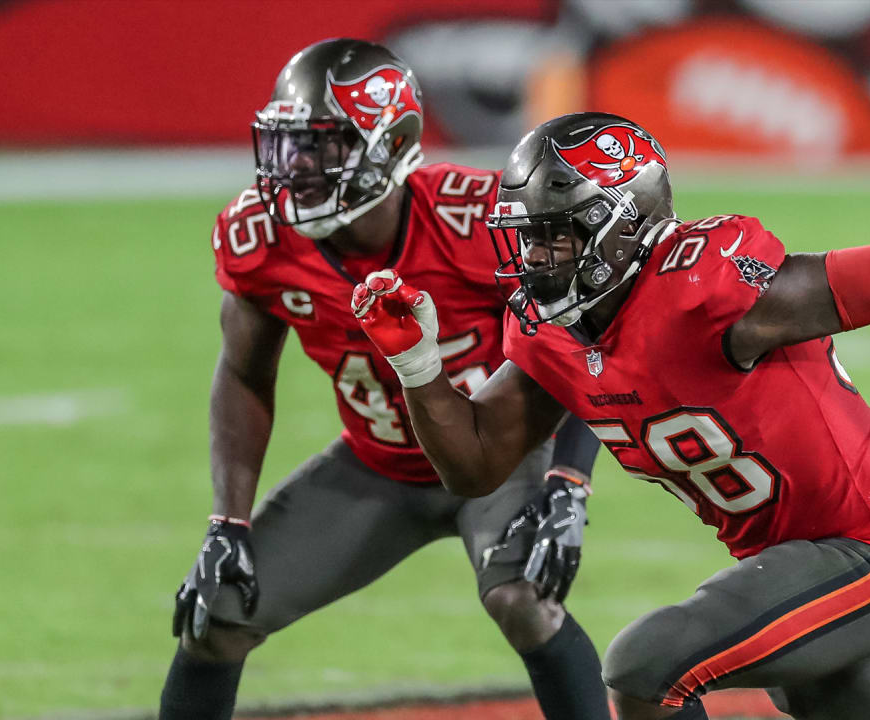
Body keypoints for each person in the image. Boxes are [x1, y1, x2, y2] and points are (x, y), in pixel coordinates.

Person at [350, 112, 870, 719]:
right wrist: (418, 366)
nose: (536, 258)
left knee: (645, 666)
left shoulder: (706, 291)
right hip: (787, 565)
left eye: (557, 237)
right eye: (529, 238)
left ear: (626, 225)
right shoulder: (549, 331)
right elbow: (477, 464)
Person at [158, 42, 612, 720]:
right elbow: (243, 373)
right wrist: (228, 520)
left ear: (391, 144)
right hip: (379, 465)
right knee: (218, 612)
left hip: (500, 459)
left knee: (524, 600)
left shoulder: (478, 220)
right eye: (291, 143)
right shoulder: (261, 237)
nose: (298, 165)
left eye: (326, 144)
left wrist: (568, 482)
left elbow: (585, 336)